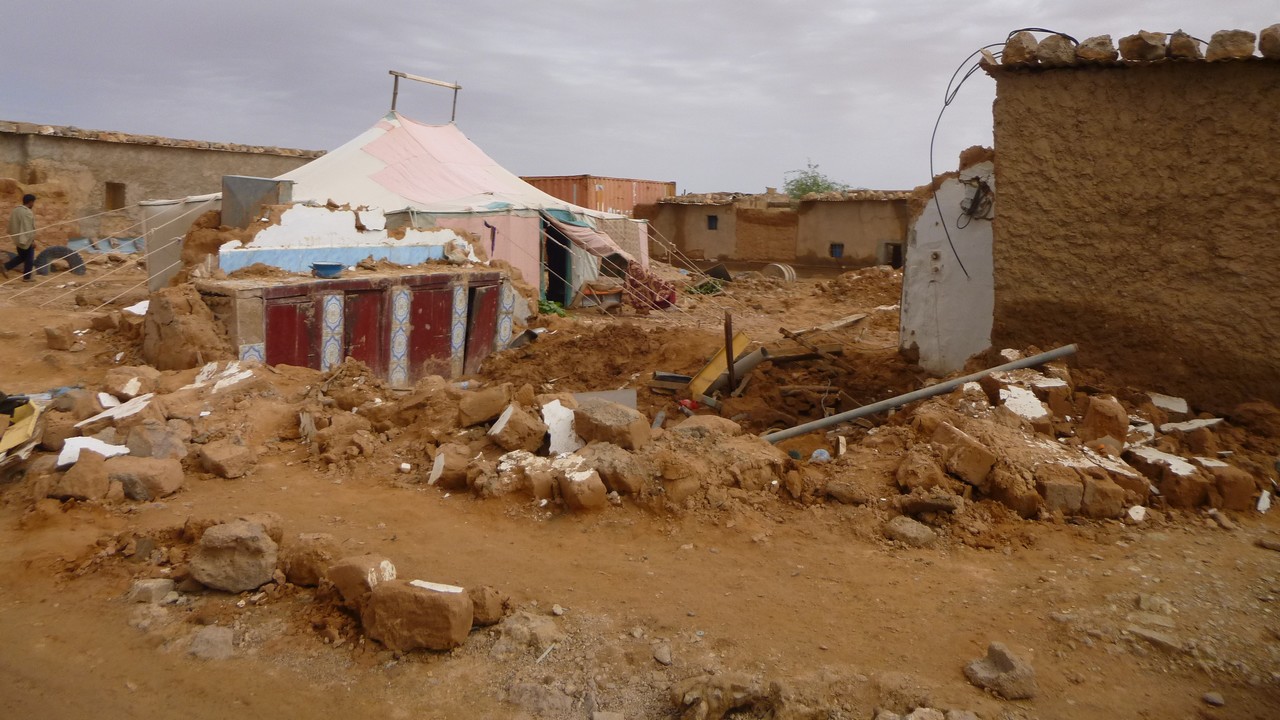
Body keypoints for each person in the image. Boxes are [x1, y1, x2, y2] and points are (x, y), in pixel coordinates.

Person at [3, 194, 37, 282]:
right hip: (26, 239)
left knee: (22, 257)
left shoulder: (16, 210)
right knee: (29, 258)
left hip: (17, 238)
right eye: (33, 202)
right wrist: (32, 240)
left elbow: (11, 224)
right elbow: (28, 228)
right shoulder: (27, 212)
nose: (33, 204)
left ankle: (6, 267)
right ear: (30, 202)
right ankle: (27, 277)